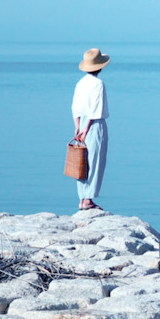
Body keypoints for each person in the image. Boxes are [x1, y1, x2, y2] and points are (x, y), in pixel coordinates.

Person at [72, 48, 111, 211]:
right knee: (95, 161)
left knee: (82, 163)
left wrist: (78, 127)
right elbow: (95, 109)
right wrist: (86, 129)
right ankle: (88, 199)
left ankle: (83, 198)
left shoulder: (80, 83)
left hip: (81, 124)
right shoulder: (98, 84)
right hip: (94, 125)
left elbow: (75, 107)